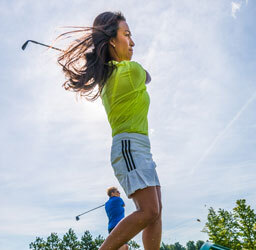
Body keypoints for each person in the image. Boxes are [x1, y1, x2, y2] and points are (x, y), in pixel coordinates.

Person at [57, 11, 162, 250]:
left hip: (139, 149)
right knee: (149, 211)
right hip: (130, 146)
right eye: (127, 35)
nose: (133, 42)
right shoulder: (132, 71)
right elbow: (147, 77)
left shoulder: (107, 78)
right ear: (112, 40)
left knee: (156, 212)